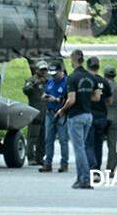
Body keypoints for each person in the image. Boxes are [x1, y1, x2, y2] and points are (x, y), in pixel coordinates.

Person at [56, 49, 101, 189]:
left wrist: (62, 110)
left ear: (74, 59)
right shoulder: (91, 77)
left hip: (76, 116)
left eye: (70, 59)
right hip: (88, 115)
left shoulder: (72, 78)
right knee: (82, 147)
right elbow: (97, 97)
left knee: (79, 149)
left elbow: (71, 100)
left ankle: (85, 179)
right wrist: (85, 98)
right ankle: (80, 178)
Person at [40, 62, 69, 173]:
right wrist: (45, 97)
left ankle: (64, 163)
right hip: (50, 113)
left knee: (63, 139)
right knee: (48, 139)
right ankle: (48, 163)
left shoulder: (66, 82)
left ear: (61, 72)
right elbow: (46, 92)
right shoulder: (51, 82)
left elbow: (69, 99)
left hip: (61, 113)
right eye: (51, 74)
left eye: (55, 74)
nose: (53, 76)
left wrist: (56, 100)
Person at [86, 56, 112, 171]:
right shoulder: (104, 81)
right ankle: (97, 168)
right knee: (98, 144)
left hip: (89, 115)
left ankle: (91, 167)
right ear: (98, 67)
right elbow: (110, 101)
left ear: (87, 66)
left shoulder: (86, 80)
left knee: (88, 143)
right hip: (102, 116)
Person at [22, 60, 48, 165]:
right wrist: (34, 84)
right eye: (41, 70)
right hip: (34, 111)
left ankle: (40, 157)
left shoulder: (49, 80)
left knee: (43, 137)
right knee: (33, 135)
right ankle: (31, 157)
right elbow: (25, 90)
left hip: (46, 112)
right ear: (36, 70)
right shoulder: (31, 80)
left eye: (45, 70)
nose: (43, 72)